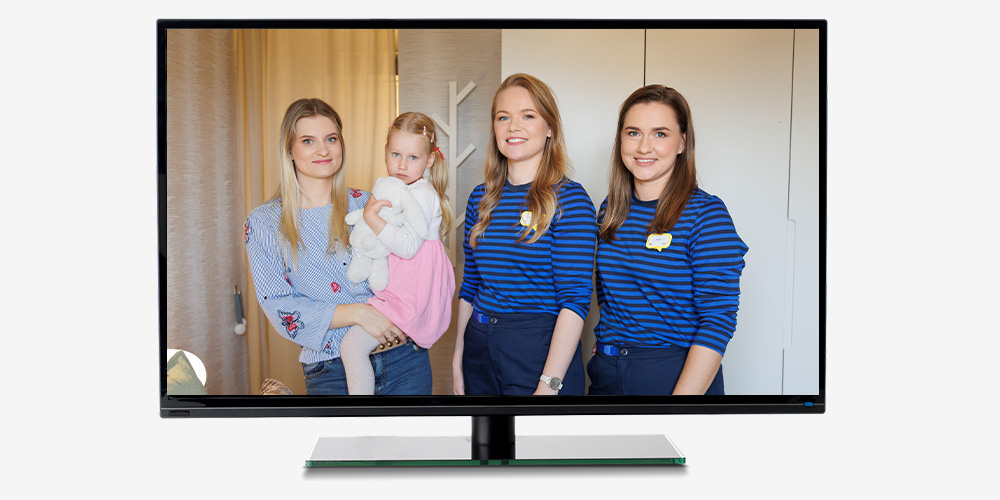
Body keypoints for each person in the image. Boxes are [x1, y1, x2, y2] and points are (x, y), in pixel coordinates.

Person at [244, 98, 432, 395]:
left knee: (409, 444)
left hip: (403, 358)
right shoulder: (264, 223)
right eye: (308, 141)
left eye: (331, 139)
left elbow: (414, 268)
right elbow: (280, 307)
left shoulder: (370, 202)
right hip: (331, 370)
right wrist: (357, 313)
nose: (323, 150)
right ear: (289, 150)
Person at [589, 85, 748, 396]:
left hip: (674, 374)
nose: (644, 147)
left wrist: (680, 406)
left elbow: (718, 320)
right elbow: (607, 294)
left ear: (682, 143)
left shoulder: (706, 215)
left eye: (660, 134)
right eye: (633, 133)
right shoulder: (611, 209)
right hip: (608, 374)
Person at [452, 73, 597, 396]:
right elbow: (470, 285)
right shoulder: (481, 197)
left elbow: (575, 300)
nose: (513, 126)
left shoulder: (569, 199)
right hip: (478, 345)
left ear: (549, 128)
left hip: (538, 350)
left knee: (538, 447)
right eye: (503, 117)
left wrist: (550, 384)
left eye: (527, 116)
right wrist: (458, 358)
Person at [340, 112, 456, 395]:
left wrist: (371, 217)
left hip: (413, 287)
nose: (402, 165)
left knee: (351, 346)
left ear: (429, 160)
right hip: (406, 280)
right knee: (357, 346)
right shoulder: (401, 187)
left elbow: (407, 245)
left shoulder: (423, 195)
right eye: (395, 154)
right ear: (385, 153)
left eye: (413, 158)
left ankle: (360, 416)